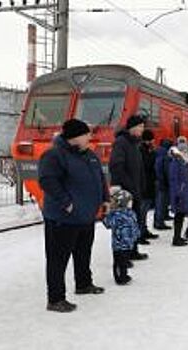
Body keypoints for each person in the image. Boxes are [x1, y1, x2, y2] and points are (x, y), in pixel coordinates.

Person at [39, 119, 108, 313]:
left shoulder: (89, 155)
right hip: (63, 218)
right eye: (86, 134)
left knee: (83, 252)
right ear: (75, 137)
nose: (90, 137)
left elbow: (100, 178)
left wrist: (105, 198)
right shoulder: (54, 155)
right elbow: (47, 181)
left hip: (85, 216)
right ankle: (55, 299)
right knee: (57, 259)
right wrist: (66, 203)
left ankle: (83, 284)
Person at [109, 115, 148, 259]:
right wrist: (128, 187)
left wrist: (141, 184)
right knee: (124, 225)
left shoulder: (135, 144)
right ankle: (124, 257)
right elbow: (116, 166)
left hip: (135, 190)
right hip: (125, 194)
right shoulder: (121, 143)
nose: (142, 129)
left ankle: (133, 251)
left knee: (134, 221)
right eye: (140, 127)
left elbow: (139, 167)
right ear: (132, 127)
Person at [102, 187, 140, 285]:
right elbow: (135, 226)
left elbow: (108, 224)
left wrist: (106, 215)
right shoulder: (131, 214)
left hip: (118, 244)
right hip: (127, 243)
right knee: (123, 261)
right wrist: (135, 237)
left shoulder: (116, 215)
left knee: (119, 262)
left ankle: (121, 276)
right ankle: (122, 276)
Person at [168, 136, 188, 246]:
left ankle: (178, 237)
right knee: (179, 216)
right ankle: (176, 238)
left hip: (183, 193)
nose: (187, 153)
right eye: (185, 151)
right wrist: (178, 193)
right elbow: (173, 180)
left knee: (181, 216)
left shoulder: (183, 162)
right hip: (179, 194)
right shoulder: (176, 163)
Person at [139, 129, 159, 240]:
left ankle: (144, 230)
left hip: (149, 184)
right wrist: (153, 154)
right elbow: (147, 165)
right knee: (142, 210)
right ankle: (141, 233)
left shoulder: (147, 150)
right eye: (152, 140)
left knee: (145, 210)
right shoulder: (142, 151)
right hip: (144, 185)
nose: (153, 142)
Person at [154, 138, 173, 229]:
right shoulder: (165, 155)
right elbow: (166, 170)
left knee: (161, 202)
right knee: (161, 203)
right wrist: (168, 181)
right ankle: (159, 222)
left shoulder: (159, 152)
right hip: (162, 182)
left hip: (159, 181)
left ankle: (160, 219)